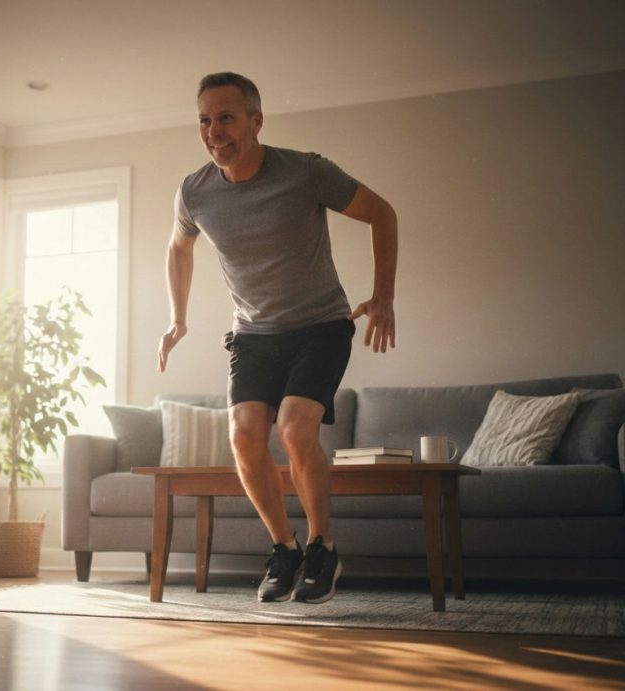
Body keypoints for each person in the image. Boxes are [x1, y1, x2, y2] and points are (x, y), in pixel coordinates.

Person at [157, 72, 397, 604]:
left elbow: (382, 213)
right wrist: (178, 318)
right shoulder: (195, 192)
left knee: (293, 428)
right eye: (204, 120)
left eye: (226, 118)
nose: (214, 131)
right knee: (243, 435)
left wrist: (383, 297)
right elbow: (179, 249)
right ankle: (284, 549)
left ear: (256, 121)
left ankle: (321, 547)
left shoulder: (305, 172)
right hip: (253, 333)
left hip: (321, 326)